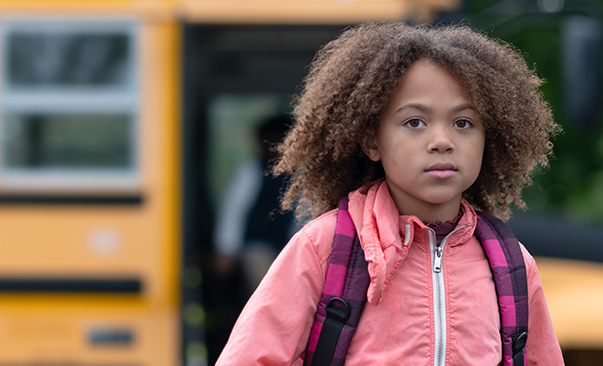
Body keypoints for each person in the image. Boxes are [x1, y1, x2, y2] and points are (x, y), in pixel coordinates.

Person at [217, 23, 565, 365]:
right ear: (371, 141)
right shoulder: (323, 249)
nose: (442, 141)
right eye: (414, 122)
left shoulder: (511, 263)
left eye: (463, 123)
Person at [213, 114, 297, 294]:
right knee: (268, 292)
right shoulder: (252, 169)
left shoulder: (297, 172)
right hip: (257, 245)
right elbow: (234, 209)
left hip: (290, 245)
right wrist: (227, 249)